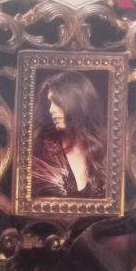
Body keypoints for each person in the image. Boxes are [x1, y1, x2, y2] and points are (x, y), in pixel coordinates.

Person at [32, 71, 106, 199]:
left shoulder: (105, 151)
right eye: (50, 103)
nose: (51, 110)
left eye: (57, 102)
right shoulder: (41, 150)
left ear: (78, 103)